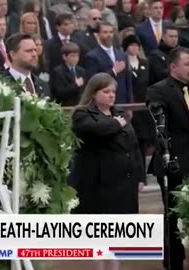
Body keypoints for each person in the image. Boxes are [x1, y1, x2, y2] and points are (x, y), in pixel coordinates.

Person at [71, 73, 145, 270]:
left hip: (123, 183)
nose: (112, 95)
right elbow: (93, 130)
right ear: (94, 93)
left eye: (113, 91)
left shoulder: (119, 113)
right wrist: (115, 124)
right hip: (99, 186)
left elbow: (134, 147)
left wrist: (140, 176)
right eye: (106, 92)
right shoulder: (82, 114)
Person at [146, 47, 188, 270]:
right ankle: (174, 262)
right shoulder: (159, 90)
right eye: (187, 64)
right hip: (175, 162)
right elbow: (160, 124)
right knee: (174, 217)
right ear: (173, 67)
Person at [122, 35, 155, 186]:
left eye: (137, 45)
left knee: (143, 142)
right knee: (132, 141)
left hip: (143, 107)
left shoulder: (145, 63)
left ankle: (143, 176)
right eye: (131, 45)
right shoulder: (123, 64)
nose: (134, 48)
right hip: (130, 107)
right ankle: (136, 175)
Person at [85, 22, 133, 105]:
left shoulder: (122, 54)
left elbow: (128, 80)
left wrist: (130, 103)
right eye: (105, 32)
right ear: (98, 35)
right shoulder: (92, 56)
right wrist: (113, 71)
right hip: (102, 103)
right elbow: (93, 81)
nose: (109, 35)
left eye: (111, 32)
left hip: (122, 102)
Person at [50, 42, 86, 106]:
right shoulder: (58, 71)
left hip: (80, 105)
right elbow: (59, 93)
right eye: (72, 56)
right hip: (66, 106)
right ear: (64, 57)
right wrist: (76, 85)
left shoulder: (81, 71)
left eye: (77, 56)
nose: (76, 59)